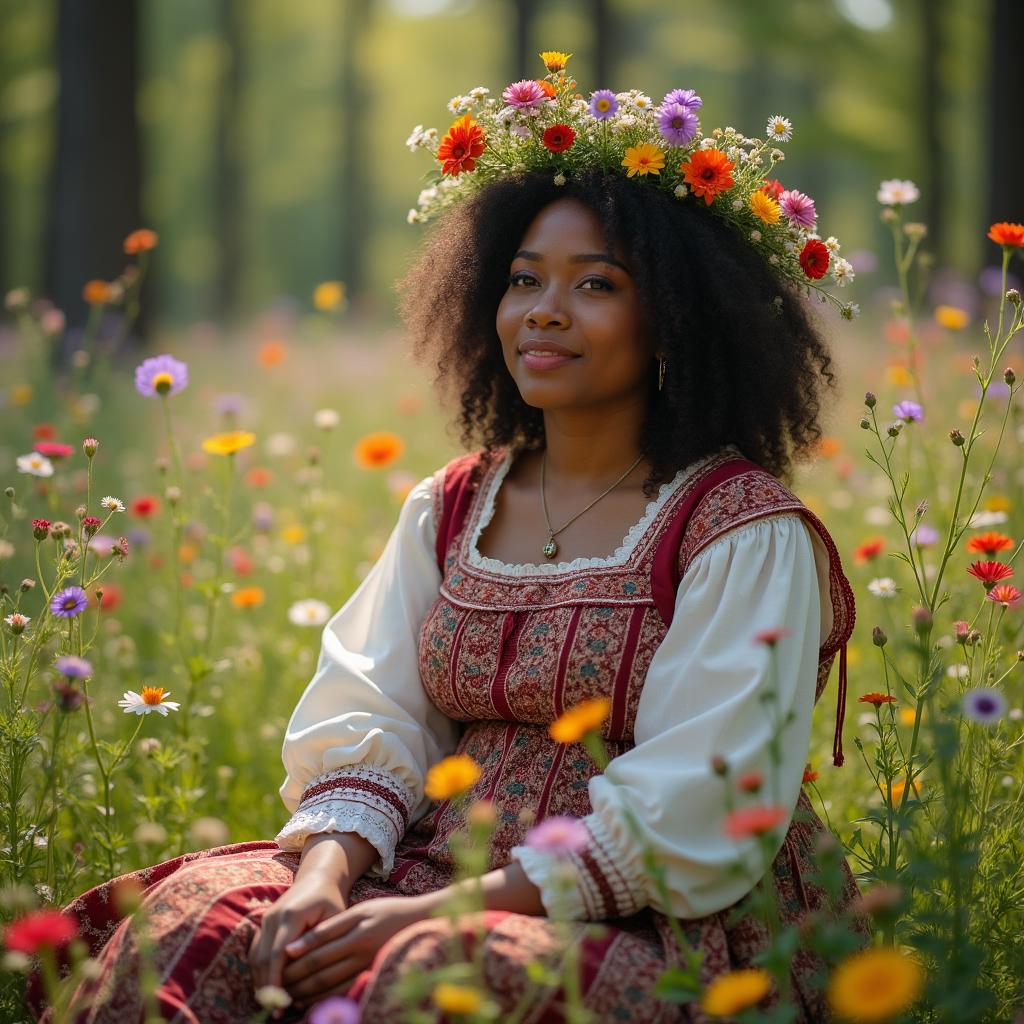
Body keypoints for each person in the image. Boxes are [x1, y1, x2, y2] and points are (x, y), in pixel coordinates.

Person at [33, 54, 867, 1023]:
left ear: (676, 317)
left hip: (647, 916)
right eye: (523, 279)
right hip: (426, 860)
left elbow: (702, 795)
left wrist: (441, 909)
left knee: (433, 976)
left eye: (596, 284)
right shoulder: (454, 504)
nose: (544, 310)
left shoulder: (737, 529)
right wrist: (325, 876)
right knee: (202, 923)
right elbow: (374, 703)